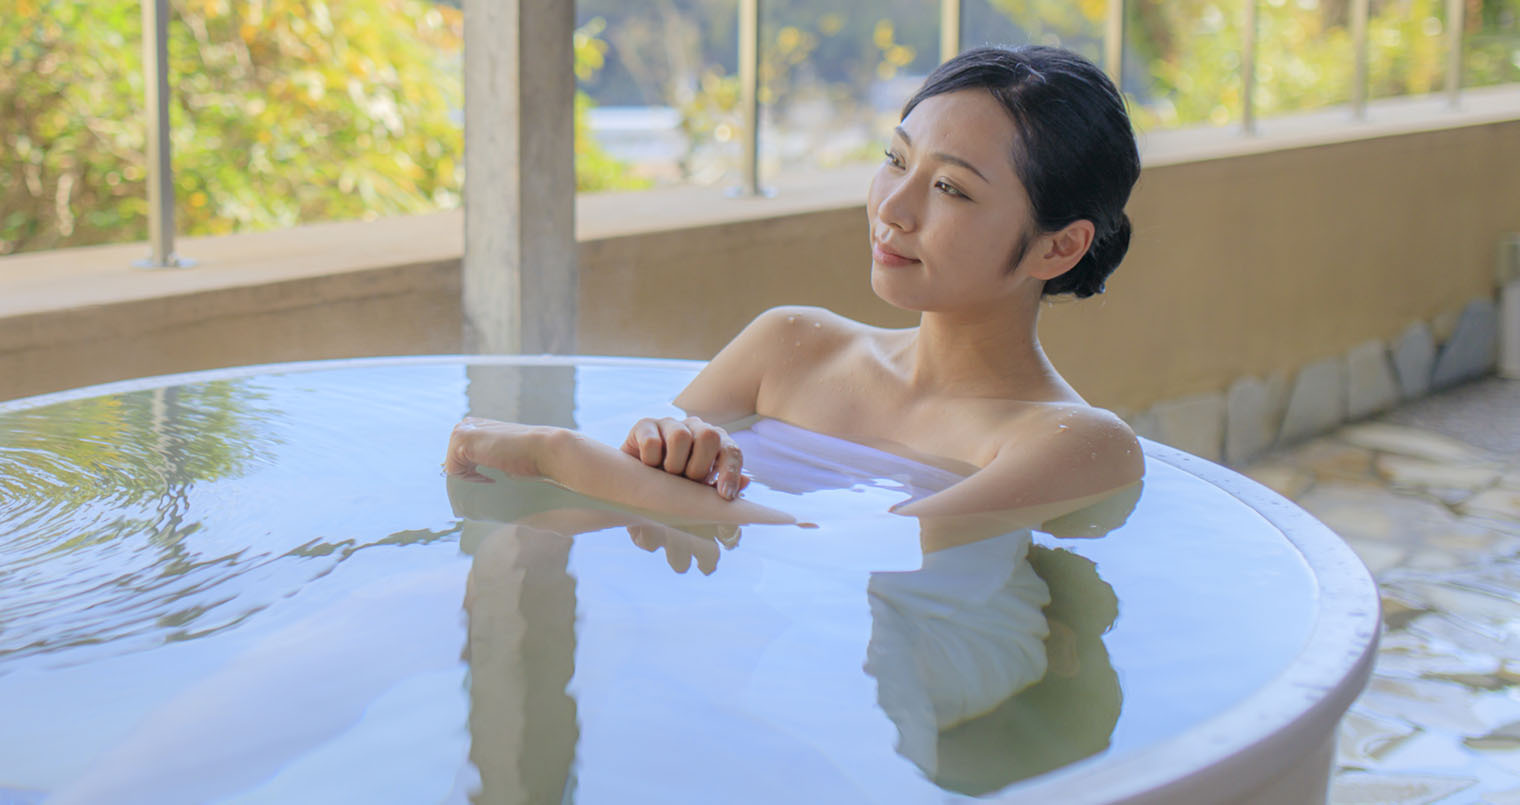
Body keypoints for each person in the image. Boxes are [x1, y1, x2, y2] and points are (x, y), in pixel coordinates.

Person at [443, 43, 1146, 535]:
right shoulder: (790, 346)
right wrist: (663, 444)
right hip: (622, 609)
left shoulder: (1074, 442)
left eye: (949, 187)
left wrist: (555, 452)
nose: (893, 208)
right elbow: (620, 483)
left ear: (1060, 246)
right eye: (893, 160)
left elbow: (848, 555)